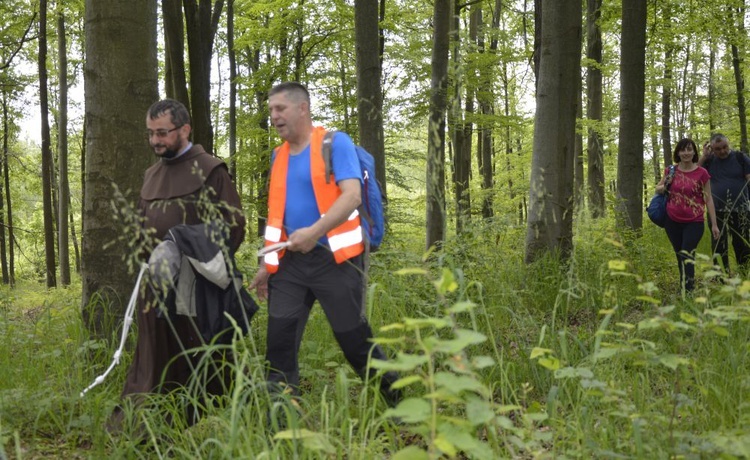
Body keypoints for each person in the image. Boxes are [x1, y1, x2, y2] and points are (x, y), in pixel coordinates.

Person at [249, 82, 400, 407]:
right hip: (289, 267)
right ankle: (282, 423)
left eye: (280, 109)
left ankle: (397, 399)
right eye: (271, 110)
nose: (273, 116)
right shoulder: (278, 157)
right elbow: (277, 215)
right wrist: (266, 265)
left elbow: (351, 196)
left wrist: (314, 231)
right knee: (279, 345)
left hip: (338, 262)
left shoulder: (334, 143)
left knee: (354, 343)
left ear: (302, 108)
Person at [108, 99, 247, 431]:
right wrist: (148, 252)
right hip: (156, 284)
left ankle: (203, 424)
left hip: (198, 286)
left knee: (201, 354)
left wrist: (180, 244)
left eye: (162, 133)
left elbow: (233, 227)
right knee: (154, 355)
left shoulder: (211, 170)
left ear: (185, 130)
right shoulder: (151, 174)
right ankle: (148, 424)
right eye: (151, 133)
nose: (155, 140)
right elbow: (143, 225)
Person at [656, 138, 720, 292]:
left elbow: (709, 198)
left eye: (689, 149)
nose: (686, 153)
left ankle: (689, 291)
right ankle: (684, 286)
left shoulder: (702, 173)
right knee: (680, 255)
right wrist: (664, 185)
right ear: (678, 152)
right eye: (683, 150)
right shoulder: (670, 170)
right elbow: (658, 188)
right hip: (672, 220)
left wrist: (714, 224)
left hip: (694, 221)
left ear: (694, 152)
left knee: (687, 254)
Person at [699, 133, 750, 273]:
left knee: (742, 242)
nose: (722, 151)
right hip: (716, 210)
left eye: (724, 147)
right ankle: (721, 275)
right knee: (719, 244)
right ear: (712, 149)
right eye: (718, 149)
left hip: (741, 209)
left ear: (729, 144)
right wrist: (704, 156)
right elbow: (694, 173)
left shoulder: (740, 157)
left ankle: (744, 272)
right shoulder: (708, 161)